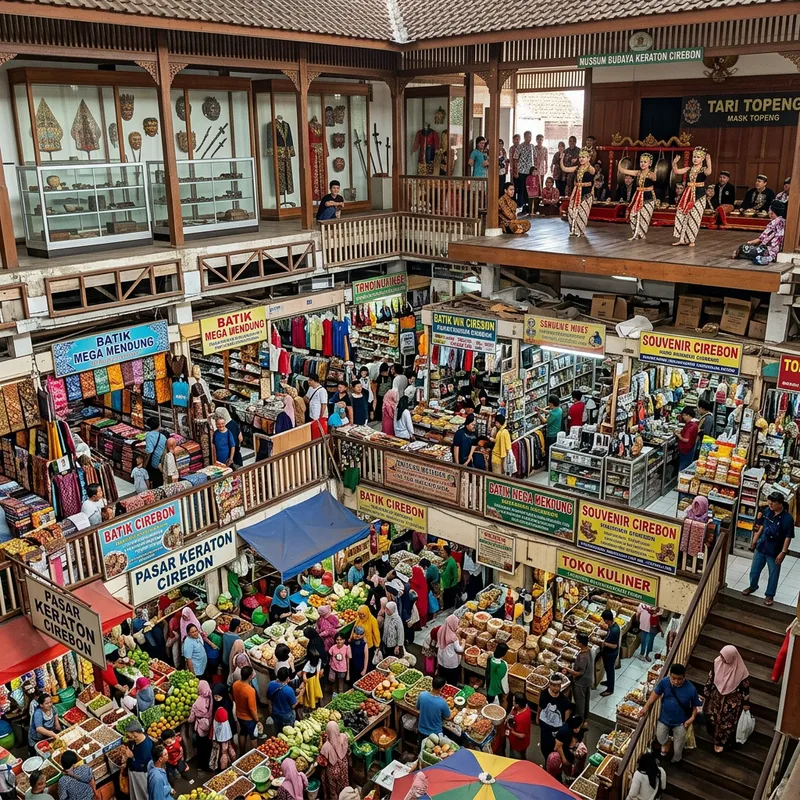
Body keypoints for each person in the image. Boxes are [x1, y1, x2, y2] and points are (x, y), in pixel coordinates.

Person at [640, 663, 701, 763]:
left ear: (684, 677)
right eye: (673, 678)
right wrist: (645, 707)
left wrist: (691, 719)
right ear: (670, 676)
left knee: (678, 747)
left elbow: (695, 706)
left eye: (679, 679)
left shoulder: (691, 689)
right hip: (664, 718)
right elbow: (655, 695)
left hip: (681, 722)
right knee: (660, 737)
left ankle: (676, 759)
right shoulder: (664, 682)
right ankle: (667, 742)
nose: (676, 681)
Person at [744, 491, 794, 605]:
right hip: (762, 546)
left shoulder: (788, 519)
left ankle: (769, 595)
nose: (770, 505)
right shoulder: (767, 511)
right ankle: (752, 586)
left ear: (780, 504)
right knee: (754, 570)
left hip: (775, 550)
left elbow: (788, 537)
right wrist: (755, 539)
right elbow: (762, 526)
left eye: (773, 503)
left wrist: (783, 552)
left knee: (773, 573)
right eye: (769, 502)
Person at [703, 645, 750, 753]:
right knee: (714, 718)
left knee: (726, 723)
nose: (722, 659)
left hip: (731, 703)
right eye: (722, 656)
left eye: (725, 657)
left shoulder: (741, 670)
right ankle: (715, 737)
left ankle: (721, 742)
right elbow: (711, 677)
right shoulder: (717, 662)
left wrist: (746, 703)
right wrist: (707, 691)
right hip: (717, 699)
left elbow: (745, 688)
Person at [672, 147, 713, 247]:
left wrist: (709, 161)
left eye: (698, 157)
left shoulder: (703, 170)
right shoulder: (689, 169)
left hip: (699, 196)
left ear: (702, 159)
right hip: (688, 194)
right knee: (682, 214)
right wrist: (674, 163)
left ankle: (691, 240)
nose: (695, 159)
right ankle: (682, 238)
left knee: (695, 217)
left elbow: (709, 172)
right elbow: (677, 171)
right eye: (694, 157)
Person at [733, 199, 786, 265]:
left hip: (768, 251)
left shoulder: (774, 223)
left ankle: (740, 254)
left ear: (772, 212)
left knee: (742, 248)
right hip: (778, 251)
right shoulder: (784, 221)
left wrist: (749, 243)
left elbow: (761, 239)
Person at [619, 153, 657, 240]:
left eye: (645, 162)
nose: (642, 164)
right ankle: (636, 233)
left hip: (648, 197)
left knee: (645, 217)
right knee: (633, 215)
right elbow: (623, 171)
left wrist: (650, 175)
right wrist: (621, 162)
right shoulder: (637, 172)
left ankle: (641, 235)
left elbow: (655, 179)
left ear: (649, 163)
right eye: (641, 162)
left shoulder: (651, 174)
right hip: (638, 196)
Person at [560, 148, 596, 237]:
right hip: (576, 191)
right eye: (580, 157)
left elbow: (593, 172)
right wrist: (561, 159)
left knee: (582, 212)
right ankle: (573, 229)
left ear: (588, 158)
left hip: (586, 193)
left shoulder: (590, 169)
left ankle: (580, 231)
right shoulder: (577, 168)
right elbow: (564, 168)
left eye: (583, 157)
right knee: (571, 209)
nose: (581, 159)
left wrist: (588, 162)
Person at [537, 675, 571, 759]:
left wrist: (565, 729)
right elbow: (540, 707)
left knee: (553, 749)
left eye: (558, 686)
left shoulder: (564, 700)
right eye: (554, 686)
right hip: (544, 727)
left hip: (556, 730)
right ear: (550, 685)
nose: (556, 688)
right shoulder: (544, 695)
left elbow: (567, 715)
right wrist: (537, 717)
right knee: (544, 747)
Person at [319, 721, 350, 800]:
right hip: (344, 766)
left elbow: (323, 763)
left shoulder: (326, 746)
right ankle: (346, 797)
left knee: (333, 791)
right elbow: (347, 749)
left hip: (333, 771)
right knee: (344, 783)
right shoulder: (344, 736)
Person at [232, 664, 259, 751]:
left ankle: (242, 752)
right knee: (253, 736)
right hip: (249, 718)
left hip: (239, 715)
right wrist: (257, 720)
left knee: (242, 732)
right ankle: (255, 755)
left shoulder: (235, 684)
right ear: (250, 677)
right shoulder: (250, 690)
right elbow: (252, 709)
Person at [553, 714, 587, 782]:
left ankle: (578, 773)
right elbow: (558, 747)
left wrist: (579, 745)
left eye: (578, 727)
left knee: (583, 754)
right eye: (575, 728)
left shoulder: (582, 725)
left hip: (574, 746)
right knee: (567, 763)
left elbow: (582, 734)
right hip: (564, 747)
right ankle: (566, 777)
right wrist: (564, 760)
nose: (577, 729)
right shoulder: (564, 731)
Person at [125, 719, 154, 800]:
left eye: (129, 736)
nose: (129, 738)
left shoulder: (145, 747)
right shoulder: (137, 740)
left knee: (142, 793)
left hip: (141, 775)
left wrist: (131, 757)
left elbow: (142, 766)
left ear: (135, 733)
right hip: (135, 773)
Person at [188, 680, 213, 770]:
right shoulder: (211, 696)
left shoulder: (197, 703)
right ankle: (210, 763)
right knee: (208, 746)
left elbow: (191, 719)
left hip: (201, 728)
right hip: (210, 725)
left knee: (201, 747)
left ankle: (201, 766)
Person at [570, 633, 593, 720]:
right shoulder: (588, 650)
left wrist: (569, 670)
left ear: (580, 643)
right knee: (585, 701)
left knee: (580, 702)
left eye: (577, 641)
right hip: (587, 680)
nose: (576, 642)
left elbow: (579, 673)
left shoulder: (583, 657)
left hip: (581, 683)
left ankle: (579, 720)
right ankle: (585, 717)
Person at [436, 614, 464, 684]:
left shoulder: (441, 629)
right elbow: (459, 650)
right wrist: (463, 643)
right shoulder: (453, 637)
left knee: (442, 677)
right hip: (450, 662)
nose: (457, 626)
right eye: (457, 624)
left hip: (441, 658)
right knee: (451, 681)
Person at [599, 609, 620, 697]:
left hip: (610, 654)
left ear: (607, 620)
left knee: (610, 670)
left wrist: (604, 643)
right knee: (608, 669)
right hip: (609, 653)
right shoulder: (613, 626)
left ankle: (610, 689)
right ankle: (608, 682)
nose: (604, 622)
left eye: (604, 620)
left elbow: (614, 646)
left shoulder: (614, 630)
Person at [505, 692, 531, 759]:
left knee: (516, 757)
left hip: (518, 744)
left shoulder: (523, 718)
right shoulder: (523, 707)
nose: (512, 702)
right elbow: (513, 709)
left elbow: (522, 735)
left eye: (514, 701)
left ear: (518, 705)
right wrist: (508, 717)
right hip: (513, 740)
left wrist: (511, 731)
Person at [144, 418, 167, 488]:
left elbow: (149, 451)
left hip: (154, 463)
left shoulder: (149, 436)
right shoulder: (163, 436)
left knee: (154, 481)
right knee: (160, 481)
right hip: (162, 461)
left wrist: (145, 463)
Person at [515, 132, 534, 211]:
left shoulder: (532, 147)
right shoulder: (520, 146)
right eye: (527, 137)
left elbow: (535, 158)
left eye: (530, 137)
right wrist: (516, 171)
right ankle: (521, 205)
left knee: (529, 189)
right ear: (524, 137)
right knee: (521, 188)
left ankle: (528, 205)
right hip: (522, 170)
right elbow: (515, 158)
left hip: (530, 171)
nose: (528, 139)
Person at [676, 406, 699, 471]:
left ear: (688, 415)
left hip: (686, 449)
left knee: (683, 467)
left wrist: (679, 436)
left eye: (684, 415)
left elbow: (686, 439)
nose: (683, 417)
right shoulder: (693, 424)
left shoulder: (691, 425)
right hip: (689, 448)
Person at [440, 545, 460, 609]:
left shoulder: (451, 562)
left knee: (448, 604)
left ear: (447, 553)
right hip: (444, 586)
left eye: (442, 552)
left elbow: (455, 576)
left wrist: (452, 587)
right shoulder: (444, 561)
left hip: (449, 587)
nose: (440, 553)